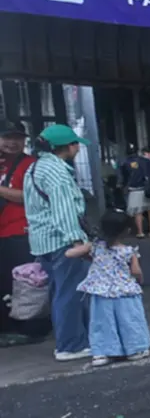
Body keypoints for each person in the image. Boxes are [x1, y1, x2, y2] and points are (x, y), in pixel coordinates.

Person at [24, 124, 91, 361]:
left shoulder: (34, 168)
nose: (78, 149)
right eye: (76, 145)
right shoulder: (57, 173)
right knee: (71, 293)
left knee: (61, 293)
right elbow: (64, 212)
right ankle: (70, 345)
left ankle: (72, 339)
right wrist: (77, 242)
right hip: (62, 242)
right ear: (68, 146)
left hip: (43, 241)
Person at [65, 210, 150, 367]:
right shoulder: (129, 251)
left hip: (101, 292)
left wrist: (82, 248)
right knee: (129, 320)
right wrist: (140, 280)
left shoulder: (95, 247)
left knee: (102, 322)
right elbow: (136, 271)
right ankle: (134, 349)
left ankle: (102, 353)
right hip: (125, 292)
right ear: (127, 230)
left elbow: (69, 254)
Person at [0, 121, 37, 338]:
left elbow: (28, 197)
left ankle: (27, 327)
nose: (12, 143)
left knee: (24, 282)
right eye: (7, 138)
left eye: (17, 138)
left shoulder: (31, 164)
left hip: (19, 232)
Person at [119, 146, 150, 238]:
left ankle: (140, 232)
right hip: (148, 188)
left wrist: (123, 186)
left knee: (137, 211)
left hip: (134, 189)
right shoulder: (146, 161)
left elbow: (123, 178)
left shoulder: (125, 163)